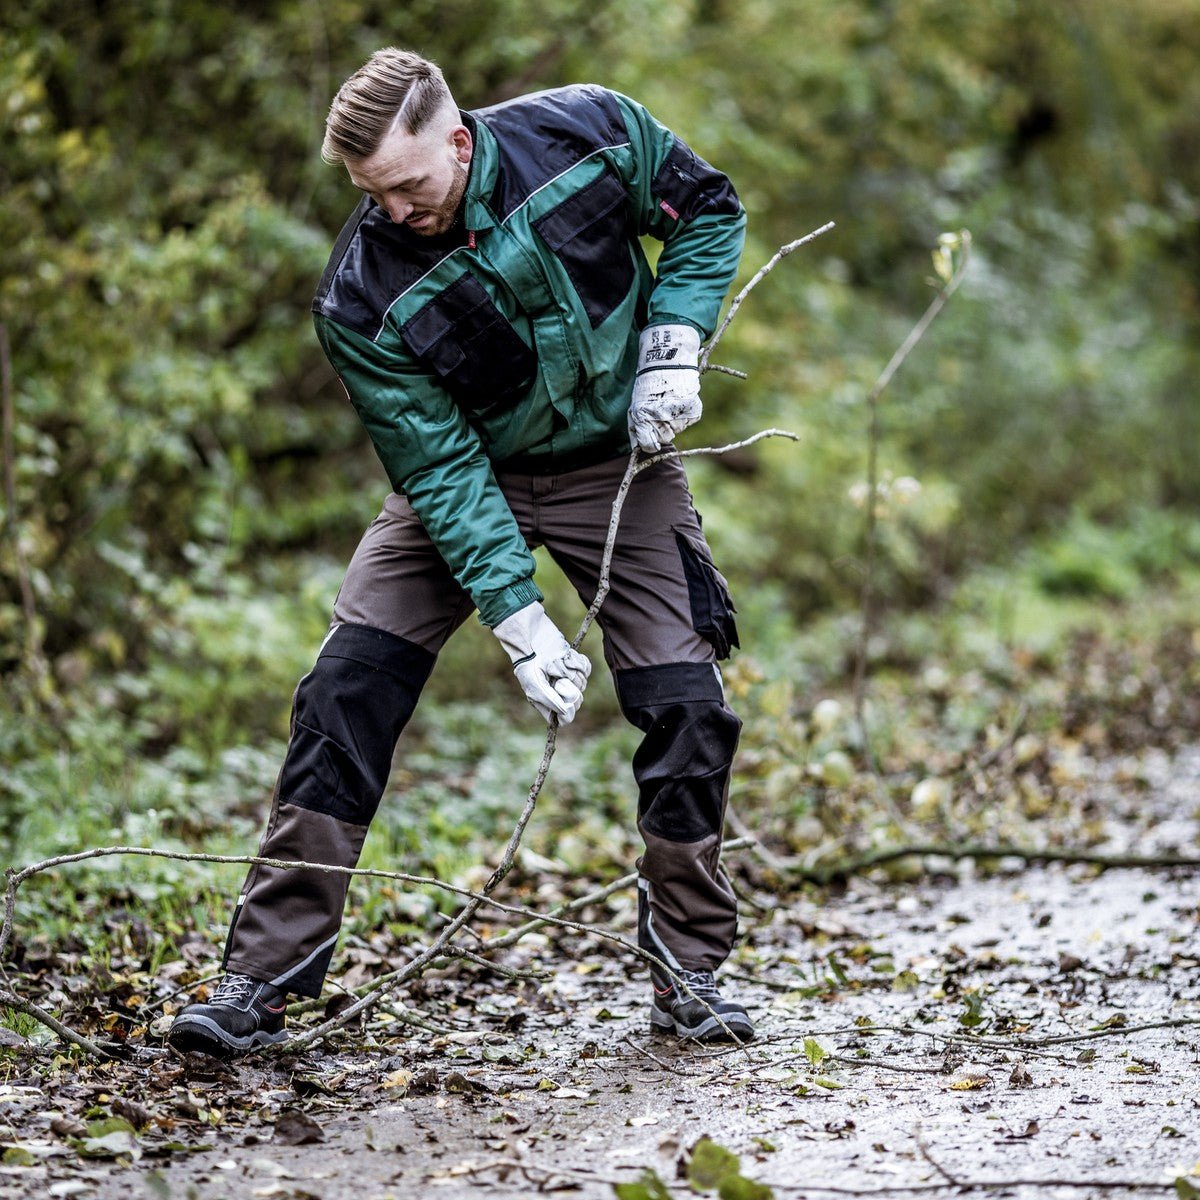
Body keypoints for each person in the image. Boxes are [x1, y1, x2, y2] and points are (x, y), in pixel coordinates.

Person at [167, 47, 752, 1057]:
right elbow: (439, 471)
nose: (392, 211)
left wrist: (672, 345)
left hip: (619, 464)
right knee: (346, 686)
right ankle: (260, 977)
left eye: (408, 185)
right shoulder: (358, 294)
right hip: (463, 478)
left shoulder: (590, 129)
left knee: (687, 703)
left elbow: (707, 211)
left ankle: (688, 974)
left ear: (458, 134)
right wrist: (517, 618)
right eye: (369, 194)